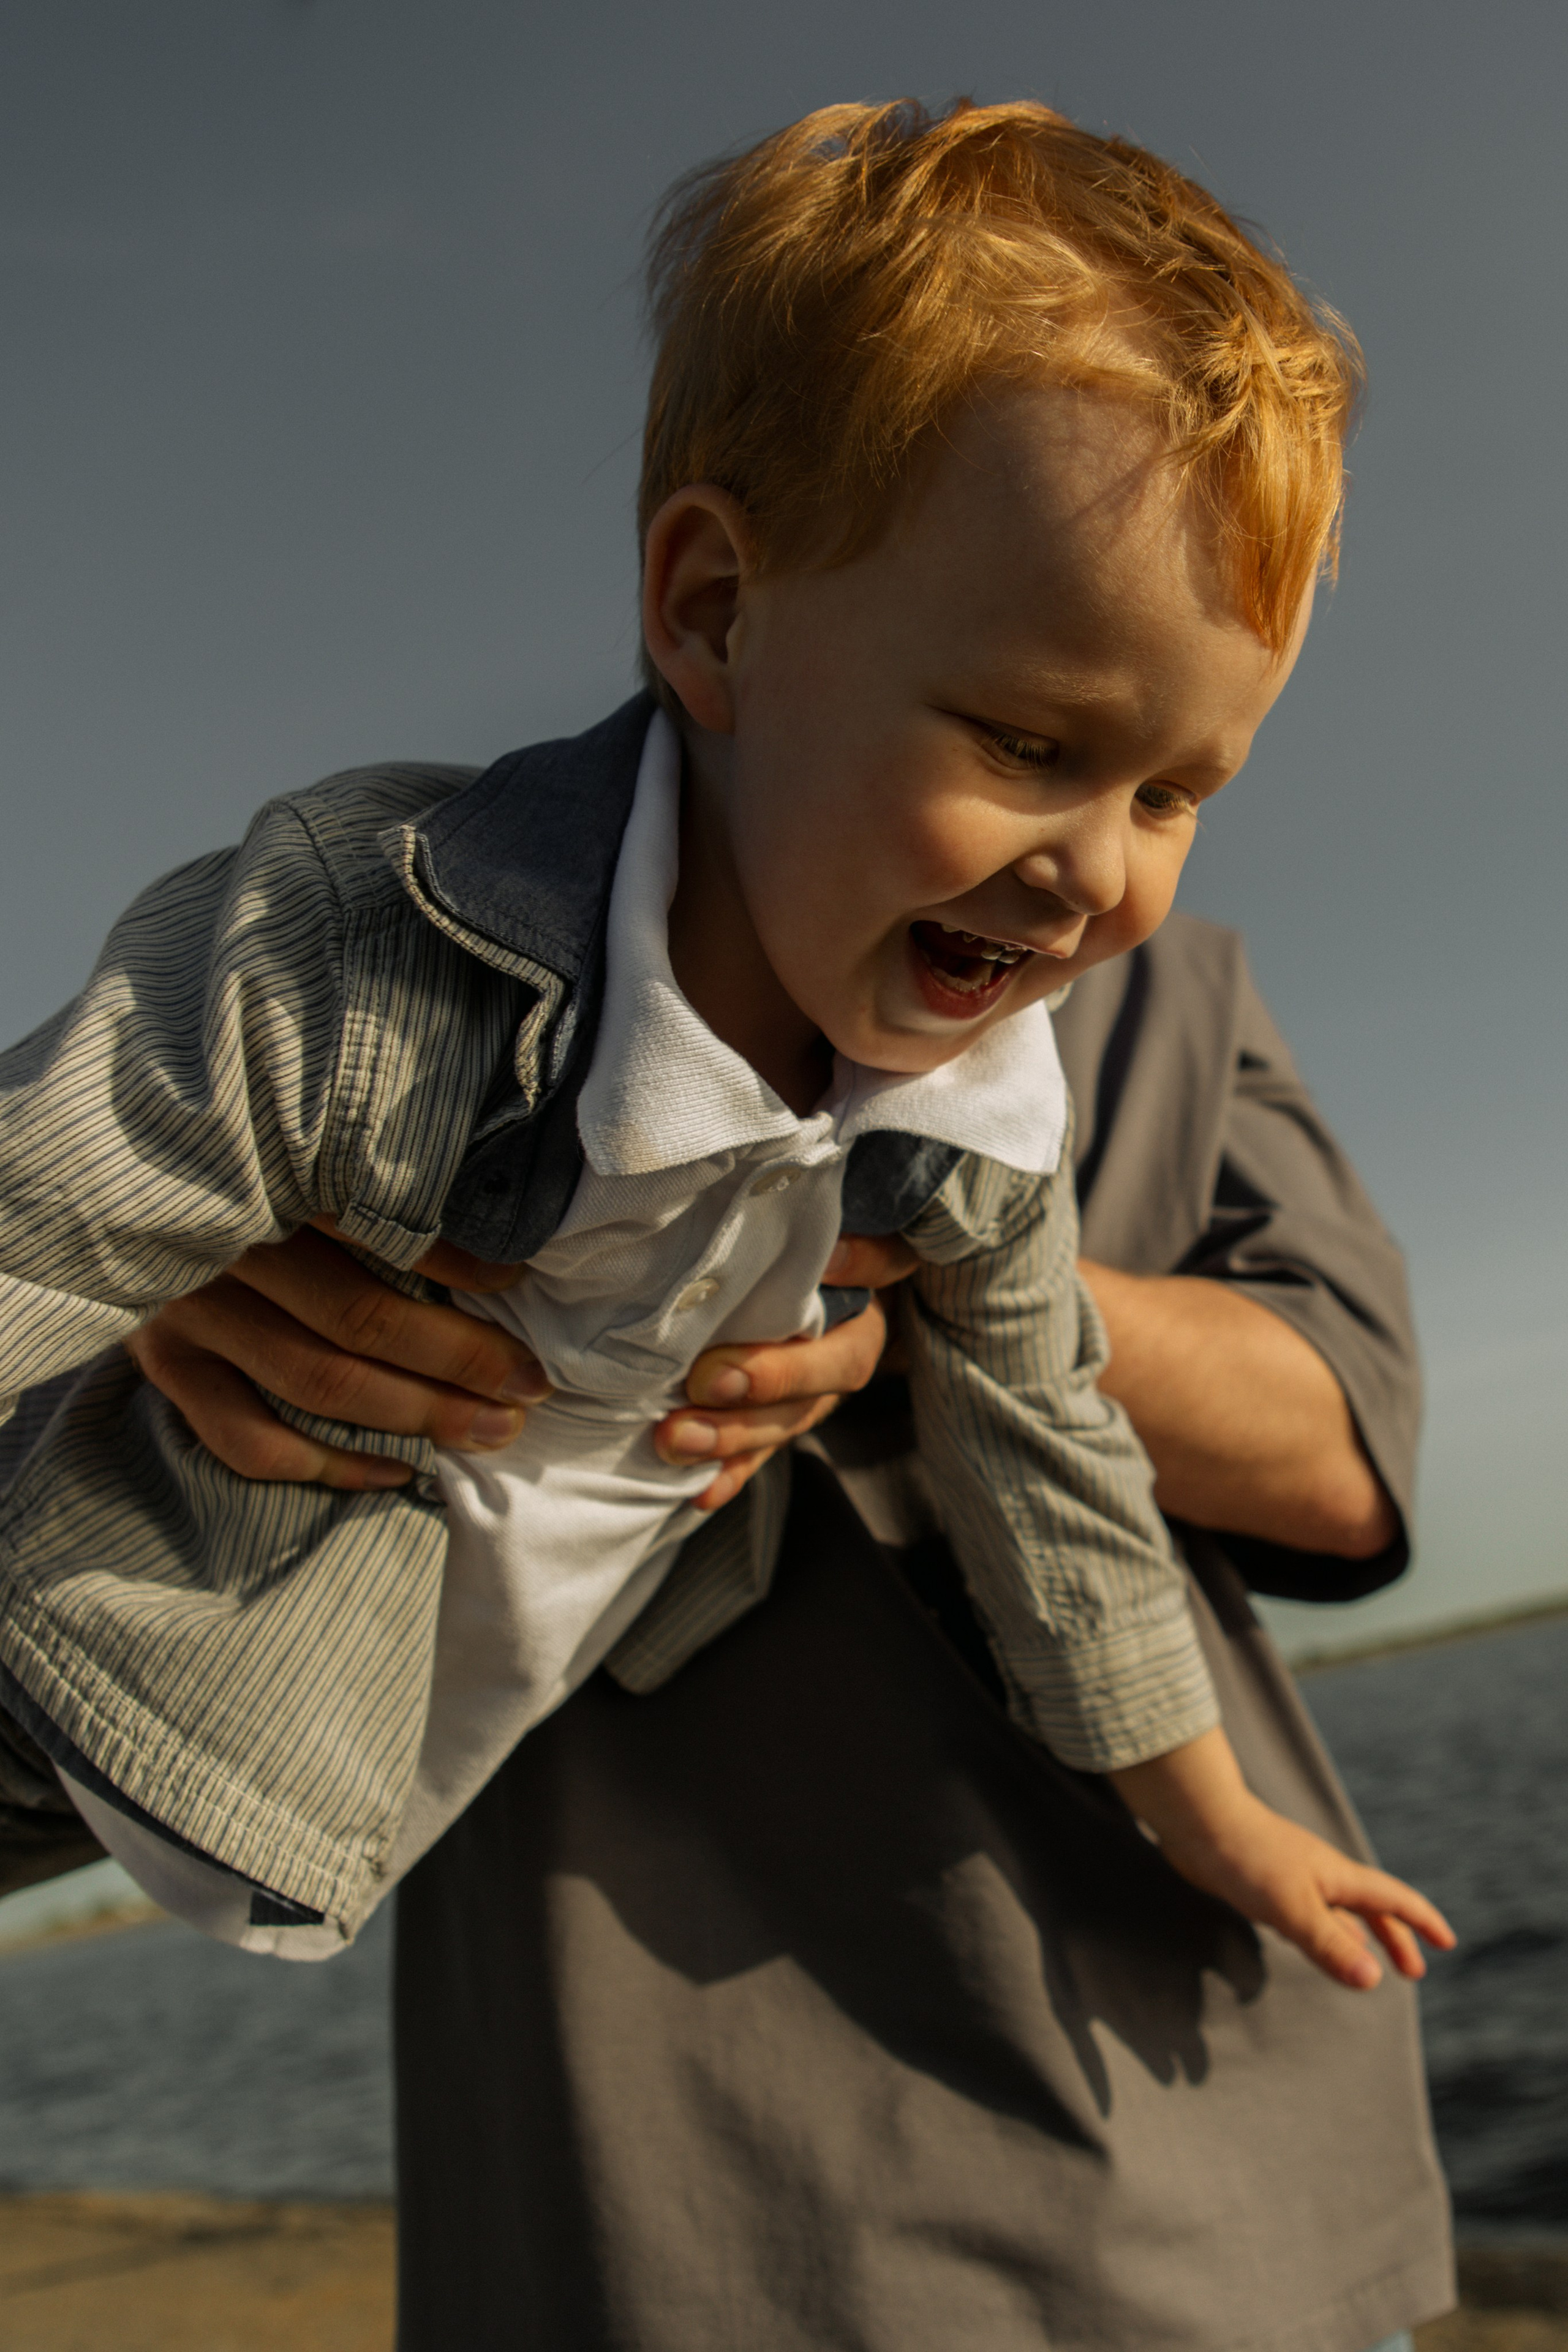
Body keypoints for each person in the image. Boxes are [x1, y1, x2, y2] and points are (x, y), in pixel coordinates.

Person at [119, 907, 1452, 2352]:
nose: (1087, 866)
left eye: (1170, 792)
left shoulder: (1172, 976)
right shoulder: (419, 923)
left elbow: (1343, 1451)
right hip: (624, 2152)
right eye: (1008, 739)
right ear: (701, 659)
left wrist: (909, 1262)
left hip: (1169, 2140)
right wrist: (169, 1292)